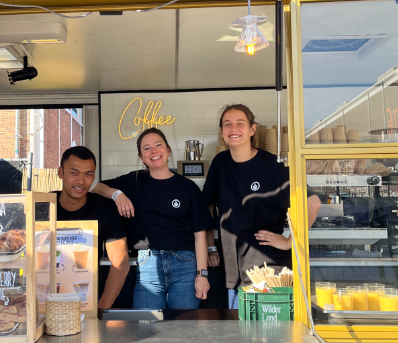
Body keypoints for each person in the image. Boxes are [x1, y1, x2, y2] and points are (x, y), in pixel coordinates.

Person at [204, 104, 321, 309]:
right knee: (239, 327)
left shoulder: (273, 166)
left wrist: (289, 242)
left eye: (240, 123)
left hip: (268, 270)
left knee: (269, 328)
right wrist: (211, 247)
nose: (233, 129)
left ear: (252, 129)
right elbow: (206, 205)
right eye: (227, 124)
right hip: (232, 271)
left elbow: (313, 202)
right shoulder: (220, 163)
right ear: (222, 132)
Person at [90, 128, 214, 309]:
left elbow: (199, 234)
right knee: (146, 323)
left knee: (183, 324)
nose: (154, 151)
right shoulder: (133, 181)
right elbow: (96, 188)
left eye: (158, 145)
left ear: (168, 150)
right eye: (146, 148)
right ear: (141, 157)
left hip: (185, 265)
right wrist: (117, 195)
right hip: (148, 265)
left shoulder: (188, 187)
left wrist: (202, 275)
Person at [47, 146, 130, 309]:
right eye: (74, 173)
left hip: (85, 298)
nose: (81, 181)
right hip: (44, 299)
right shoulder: (43, 206)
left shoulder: (105, 209)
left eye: (88, 174)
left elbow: (121, 261)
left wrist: (100, 309)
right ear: (60, 172)